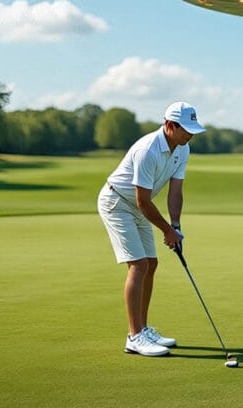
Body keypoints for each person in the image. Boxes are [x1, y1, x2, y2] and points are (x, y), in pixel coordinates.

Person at [97, 101, 205, 357]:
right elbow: (142, 200)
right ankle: (134, 337)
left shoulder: (183, 148)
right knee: (139, 265)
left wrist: (176, 227)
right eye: (185, 129)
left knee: (151, 263)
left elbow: (175, 192)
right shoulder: (148, 150)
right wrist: (166, 230)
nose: (190, 135)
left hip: (137, 206)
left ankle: (142, 329)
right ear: (169, 125)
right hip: (117, 203)